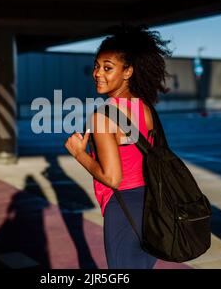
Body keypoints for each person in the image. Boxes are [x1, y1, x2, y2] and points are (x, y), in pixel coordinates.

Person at [64, 24, 171, 269]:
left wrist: (80, 154)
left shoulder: (104, 116)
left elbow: (112, 178)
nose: (98, 73)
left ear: (128, 72)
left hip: (123, 207)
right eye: (96, 66)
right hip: (152, 203)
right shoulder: (145, 108)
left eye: (108, 68)